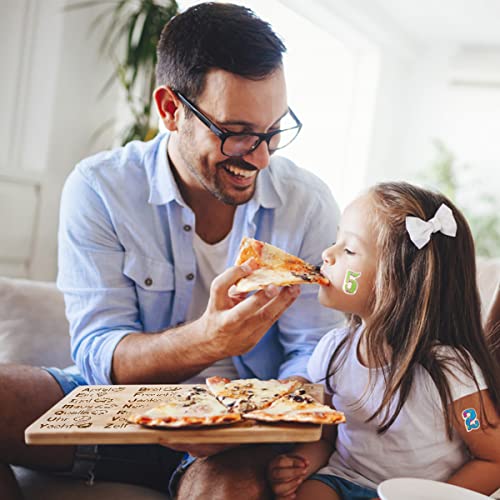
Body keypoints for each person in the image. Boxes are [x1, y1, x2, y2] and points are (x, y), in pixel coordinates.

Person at [0, 3, 343, 499]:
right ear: (170, 110)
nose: (262, 156)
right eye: (237, 133)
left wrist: (248, 418)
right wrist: (209, 338)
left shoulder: (306, 202)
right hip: (118, 406)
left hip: (242, 428)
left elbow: (314, 353)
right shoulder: (100, 187)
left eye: (272, 132)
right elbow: (100, 353)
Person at [268, 182, 500, 500]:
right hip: (342, 478)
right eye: (336, 240)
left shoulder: (450, 372)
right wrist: (300, 465)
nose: (327, 254)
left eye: (348, 250)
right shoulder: (332, 352)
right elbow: (326, 436)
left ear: (397, 281)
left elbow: (492, 457)